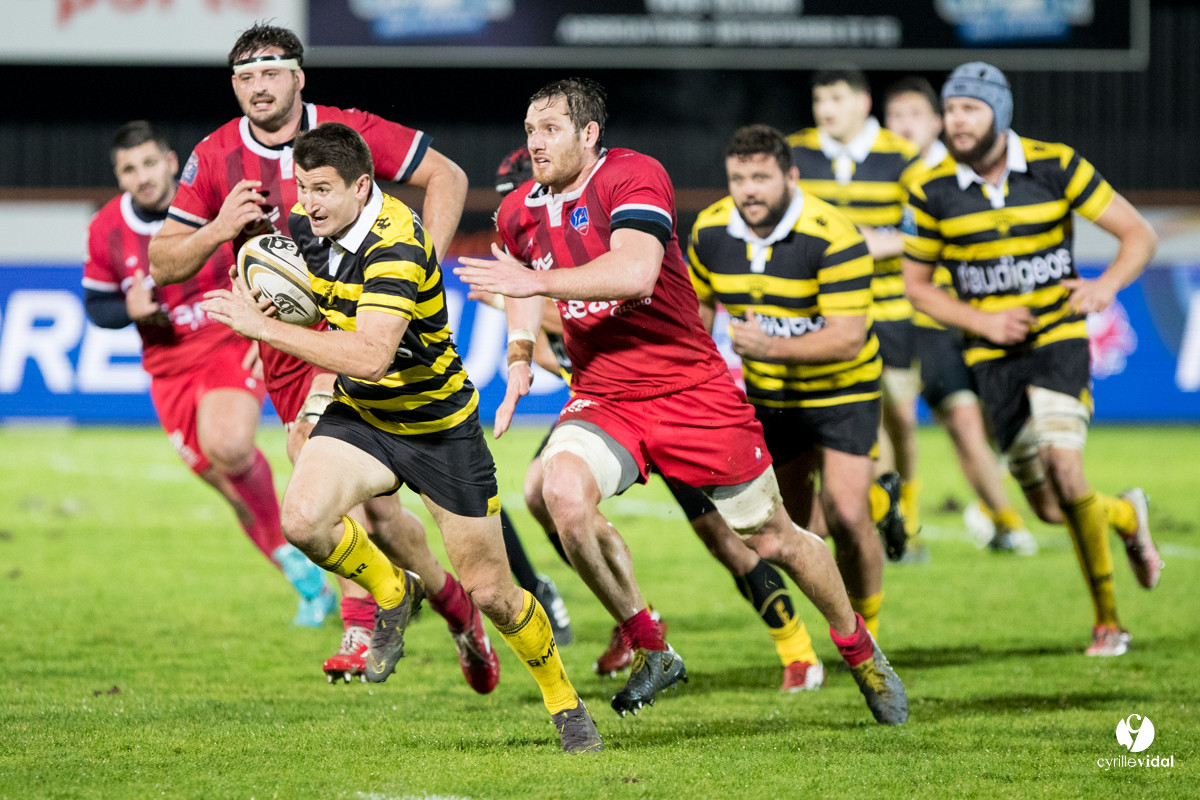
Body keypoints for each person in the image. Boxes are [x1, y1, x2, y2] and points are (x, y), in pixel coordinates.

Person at [456, 78, 907, 725]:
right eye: (529, 130)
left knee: (772, 538)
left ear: (589, 134)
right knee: (553, 494)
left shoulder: (633, 176)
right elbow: (522, 282)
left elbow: (635, 273)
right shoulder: (519, 210)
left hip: (690, 390)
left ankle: (859, 648)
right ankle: (649, 643)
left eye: (549, 129)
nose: (535, 143)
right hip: (606, 393)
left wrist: (534, 281)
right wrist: (521, 353)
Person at [200, 122, 602, 753]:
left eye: (324, 190)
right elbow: (298, 303)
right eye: (304, 188)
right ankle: (395, 591)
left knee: (494, 595)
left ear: (363, 187)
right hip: (362, 418)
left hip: (437, 428)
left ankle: (564, 701)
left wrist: (263, 327)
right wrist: (266, 302)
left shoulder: (397, 243)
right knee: (303, 519)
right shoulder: (308, 233)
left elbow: (369, 355)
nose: (309, 203)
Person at [146, 23, 499, 691]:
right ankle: (454, 607)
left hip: (360, 332)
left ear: (299, 77)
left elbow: (446, 176)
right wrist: (220, 227)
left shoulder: (347, 131)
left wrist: (423, 264)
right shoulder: (216, 155)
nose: (258, 86)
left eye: (271, 73)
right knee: (382, 515)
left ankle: (363, 618)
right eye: (245, 77)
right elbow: (163, 262)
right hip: (284, 350)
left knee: (313, 456)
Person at [494, 148, 827, 692]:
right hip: (607, 407)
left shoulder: (607, 237)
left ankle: (797, 648)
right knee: (546, 493)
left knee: (730, 538)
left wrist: (531, 294)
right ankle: (639, 621)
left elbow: (620, 296)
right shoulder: (530, 246)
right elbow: (567, 354)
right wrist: (520, 339)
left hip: (671, 398)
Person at [902, 61, 1164, 656]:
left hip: (1057, 341)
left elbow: (1139, 234)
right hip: (992, 359)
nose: (956, 121)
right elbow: (918, 285)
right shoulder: (931, 189)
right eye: (950, 110)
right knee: (1050, 507)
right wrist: (982, 320)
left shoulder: (1057, 164)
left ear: (1000, 110)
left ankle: (1108, 623)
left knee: (1064, 468)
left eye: (969, 108)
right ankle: (1126, 515)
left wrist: (1106, 286)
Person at [83, 120, 334, 626]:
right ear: (119, 176)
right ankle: (304, 576)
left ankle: (329, 543)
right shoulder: (106, 229)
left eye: (150, 163)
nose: (143, 176)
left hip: (224, 342)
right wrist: (128, 309)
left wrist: (261, 333)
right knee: (225, 482)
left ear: (172, 162)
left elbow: (265, 266)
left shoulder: (209, 206)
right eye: (129, 169)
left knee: (229, 445)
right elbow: (96, 306)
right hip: (167, 367)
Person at [687, 124, 891, 646]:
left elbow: (846, 340)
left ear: (791, 177)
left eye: (761, 177)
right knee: (793, 531)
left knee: (846, 516)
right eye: (738, 178)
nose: (748, 189)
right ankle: (879, 503)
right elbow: (699, 316)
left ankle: (867, 634)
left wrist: (770, 347)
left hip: (842, 391)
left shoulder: (836, 236)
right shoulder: (710, 231)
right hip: (770, 400)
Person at [883, 76, 1037, 556]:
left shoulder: (969, 172)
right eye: (895, 117)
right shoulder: (891, 176)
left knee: (1008, 426)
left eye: (914, 116)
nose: (904, 126)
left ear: (936, 123)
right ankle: (1004, 523)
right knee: (950, 421)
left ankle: (989, 508)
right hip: (927, 324)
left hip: (987, 317)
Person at [788, 68, 926, 547]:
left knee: (902, 419)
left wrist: (873, 244)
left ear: (863, 103)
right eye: (819, 99)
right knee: (863, 415)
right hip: (829, 313)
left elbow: (931, 228)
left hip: (889, 308)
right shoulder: (796, 153)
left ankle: (903, 505)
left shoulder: (903, 158)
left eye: (837, 99)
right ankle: (885, 519)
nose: (826, 109)